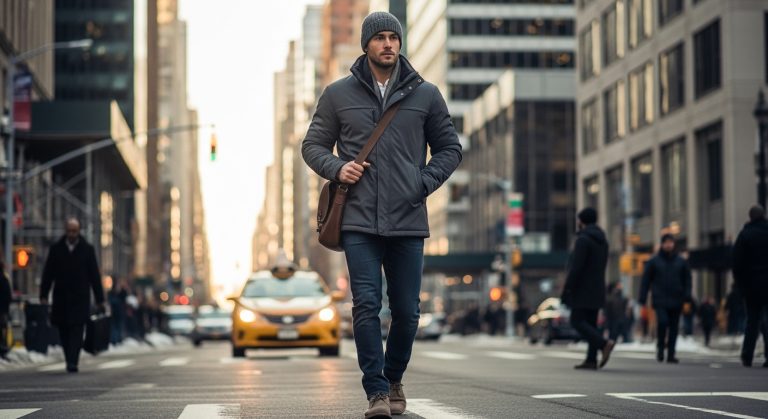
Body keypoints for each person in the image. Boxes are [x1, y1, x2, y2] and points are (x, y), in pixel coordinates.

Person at [301, 11, 462, 419]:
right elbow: (312, 145)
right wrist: (338, 168)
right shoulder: (337, 94)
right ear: (366, 44)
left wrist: (422, 183)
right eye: (380, 38)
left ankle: (393, 378)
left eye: (394, 37)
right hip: (357, 220)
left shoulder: (425, 94)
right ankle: (375, 391)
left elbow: (449, 149)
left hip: (408, 218)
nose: (388, 44)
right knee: (366, 306)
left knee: (407, 311)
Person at [40, 218, 106, 373]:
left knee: (77, 329)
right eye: (69, 230)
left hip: (80, 298)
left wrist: (100, 299)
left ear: (79, 231)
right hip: (61, 297)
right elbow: (48, 274)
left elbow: (94, 276)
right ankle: (69, 357)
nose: (71, 234)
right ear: (65, 231)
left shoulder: (87, 249)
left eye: (74, 231)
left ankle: (73, 361)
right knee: (63, 329)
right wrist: (43, 294)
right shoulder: (56, 249)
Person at [561, 208, 613, 370]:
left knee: (576, 321)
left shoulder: (583, 240)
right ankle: (591, 360)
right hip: (598, 287)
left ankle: (603, 344)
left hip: (582, 289)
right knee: (591, 322)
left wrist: (568, 288)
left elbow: (576, 268)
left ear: (581, 221)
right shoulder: (603, 240)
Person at [638, 234, 692, 364]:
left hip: (676, 299)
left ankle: (671, 354)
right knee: (662, 323)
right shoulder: (654, 261)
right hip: (660, 299)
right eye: (666, 242)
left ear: (673, 244)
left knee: (674, 327)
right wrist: (643, 297)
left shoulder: (681, 261)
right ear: (662, 244)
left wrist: (687, 296)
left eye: (671, 242)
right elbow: (646, 280)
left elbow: (687, 280)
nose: (669, 245)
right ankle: (660, 349)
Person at [732, 205, 768, 367]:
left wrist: (740, 286)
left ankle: (747, 356)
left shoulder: (745, 235)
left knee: (752, 321)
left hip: (751, 286)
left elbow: (737, 263)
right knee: (767, 320)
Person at [0, 261, 11, 358]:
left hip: (2, 310)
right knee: (3, 330)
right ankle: (3, 349)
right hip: (2, 311)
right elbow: (8, 296)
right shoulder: (4, 279)